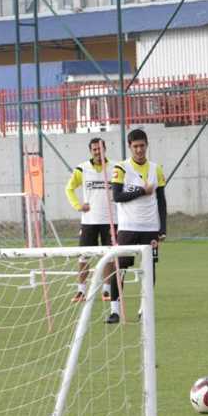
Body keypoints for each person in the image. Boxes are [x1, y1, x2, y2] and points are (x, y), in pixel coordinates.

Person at [107, 129, 167, 324]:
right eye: (135, 147)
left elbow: (161, 201)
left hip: (150, 228)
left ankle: (144, 309)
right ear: (129, 147)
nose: (139, 150)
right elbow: (117, 196)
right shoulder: (121, 168)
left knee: (149, 269)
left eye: (142, 146)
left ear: (147, 145)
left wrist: (162, 228)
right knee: (120, 268)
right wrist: (142, 190)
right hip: (127, 228)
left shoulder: (156, 169)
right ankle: (115, 310)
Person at [64, 137, 116, 303]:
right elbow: (69, 188)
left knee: (109, 256)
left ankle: (107, 291)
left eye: (99, 148)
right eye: (94, 149)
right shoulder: (82, 169)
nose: (97, 152)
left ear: (105, 149)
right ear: (90, 151)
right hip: (89, 220)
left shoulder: (115, 168)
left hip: (111, 220)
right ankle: (81, 291)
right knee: (84, 256)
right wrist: (78, 205)